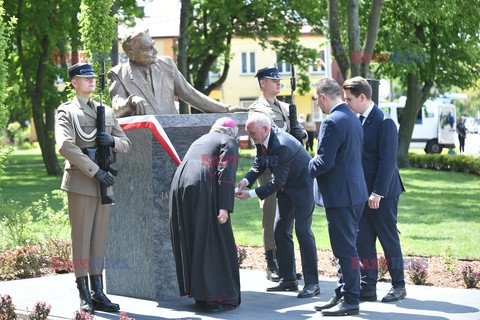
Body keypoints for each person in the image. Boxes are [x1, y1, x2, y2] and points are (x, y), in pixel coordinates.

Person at [56, 63, 131, 313]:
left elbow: (126, 143)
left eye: (92, 78)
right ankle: (84, 293)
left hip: (104, 185)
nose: (90, 81)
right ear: (74, 83)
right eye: (83, 78)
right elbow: (66, 146)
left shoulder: (106, 111)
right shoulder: (67, 112)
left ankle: (99, 292)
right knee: (82, 239)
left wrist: (112, 141)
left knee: (98, 240)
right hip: (82, 182)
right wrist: (95, 171)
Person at [236, 112, 320, 299]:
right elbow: (260, 163)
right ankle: (288, 279)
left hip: (303, 189)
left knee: (303, 232)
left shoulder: (282, 145)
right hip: (286, 189)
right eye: (249, 133)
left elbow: (277, 182)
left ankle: (313, 284)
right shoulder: (263, 140)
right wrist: (245, 181)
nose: (250, 137)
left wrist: (249, 194)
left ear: (265, 129)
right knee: (280, 230)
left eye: (252, 133)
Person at [343, 76, 406, 303]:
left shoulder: (384, 121)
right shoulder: (358, 120)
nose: (346, 103)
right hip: (362, 194)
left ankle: (399, 286)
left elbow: (387, 162)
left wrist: (377, 193)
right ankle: (368, 286)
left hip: (383, 193)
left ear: (362, 97)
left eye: (349, 99)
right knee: (364, 241)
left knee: (388, 240)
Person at [308, 78, 368, 316]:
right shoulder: (352, 116)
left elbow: (324, 162)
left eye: (316, 99)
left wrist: (305, 165)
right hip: (355, 194)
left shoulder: (332, 121)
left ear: (323, 96)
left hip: (341, 196)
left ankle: (351, 299)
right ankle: (343, 292)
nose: (317, 104)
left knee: (345, 251)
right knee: (348, 247)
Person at [169, 117, 241, 312]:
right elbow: (226, 173)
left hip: (180, 187)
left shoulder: (201, 139)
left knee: (194, 238)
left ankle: (199, 294)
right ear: (231, 133)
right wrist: (224, 207)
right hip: (203, 188)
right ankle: (214, 296)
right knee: (213, 240)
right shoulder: (229, 141)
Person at [248, 66, 304, 282]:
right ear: (263, 82)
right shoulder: (257, 108)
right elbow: (263, 137)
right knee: (271, 216)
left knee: (286, 217)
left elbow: (293, 137)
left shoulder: (284, 106)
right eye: (274, 80)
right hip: (270, 168)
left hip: (289, 168)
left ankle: (287, 263)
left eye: (279, 80)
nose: (279, 83)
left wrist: (302, 135)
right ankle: (271, 263)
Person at [108, 30, 246, 117]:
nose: (155, 52)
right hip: (142, 140)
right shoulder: (118, 74)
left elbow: (190, 94)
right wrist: (130, 101)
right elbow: (117, 108)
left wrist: (226, 109)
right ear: (131, 54)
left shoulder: (167, 64)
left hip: (171, 134)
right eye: (148, 48)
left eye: (153, 45)